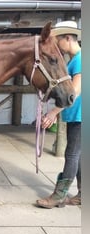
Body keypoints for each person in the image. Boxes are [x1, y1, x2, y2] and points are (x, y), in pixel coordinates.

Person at [36, 20, 81, 208]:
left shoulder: (80, 60)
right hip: (77, 115)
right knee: (78, 155)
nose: (56, 47)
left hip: (80, 116)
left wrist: (54, 112)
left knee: (71, 154)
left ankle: (59, 195)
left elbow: (77, 89)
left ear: (68, 38)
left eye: (58, 41)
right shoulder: (75, 60)